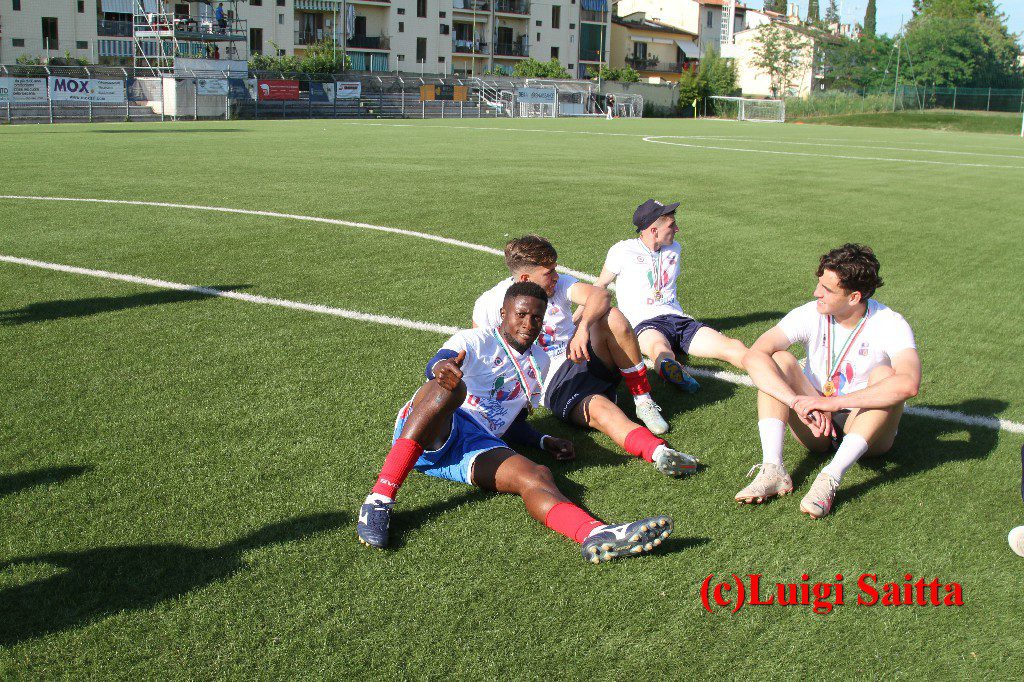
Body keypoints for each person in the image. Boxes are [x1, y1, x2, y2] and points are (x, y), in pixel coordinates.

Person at [357, 282, 673, 563]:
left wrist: (541, 441)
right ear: (504, 312)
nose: (528, 323)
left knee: (536, 474)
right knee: (449, 388)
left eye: (536, 317)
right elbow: (437, 363)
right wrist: (442, 369)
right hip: (438, 424)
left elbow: (511, 419)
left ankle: (596, 533)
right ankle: (380, 499)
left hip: (478, 444)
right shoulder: (476, 339)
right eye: (521, 314)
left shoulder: (542, 361)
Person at [473, 236, 699, 478]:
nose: (556, 276)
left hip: (583, 355)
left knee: (612, 317)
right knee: (602, 412)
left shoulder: (558, 286)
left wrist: (582, 329)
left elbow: (600, 296)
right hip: (555, 382)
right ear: (526, 278)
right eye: (549, 272)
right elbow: (484, 354)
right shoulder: (490, 303)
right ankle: (658, 453)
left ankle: (643, 400)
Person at [737, 243, 921, 519]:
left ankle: (830, 478)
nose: (816, 293)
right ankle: (773, 468)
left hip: (866, 425)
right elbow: (754, 356)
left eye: (827, 289)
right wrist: (796, 401)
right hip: (814, 419)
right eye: (819, 283)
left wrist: (834, 403)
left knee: (887, 378)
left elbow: (909, 384)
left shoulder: (889, 323)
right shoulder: (810, 313)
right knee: (778, 361)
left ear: (854, 297)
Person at [594, 199, 748, 395]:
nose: (677, 229)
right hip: (643, 324)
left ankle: (764, 365)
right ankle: (672, 370)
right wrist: (580, 323)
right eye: (671, 225)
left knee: (731, 346)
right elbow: (600, 286)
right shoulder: (622, 251)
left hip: (679, 320)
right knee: (660, 349)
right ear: (653, 231)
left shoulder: (674, 249)